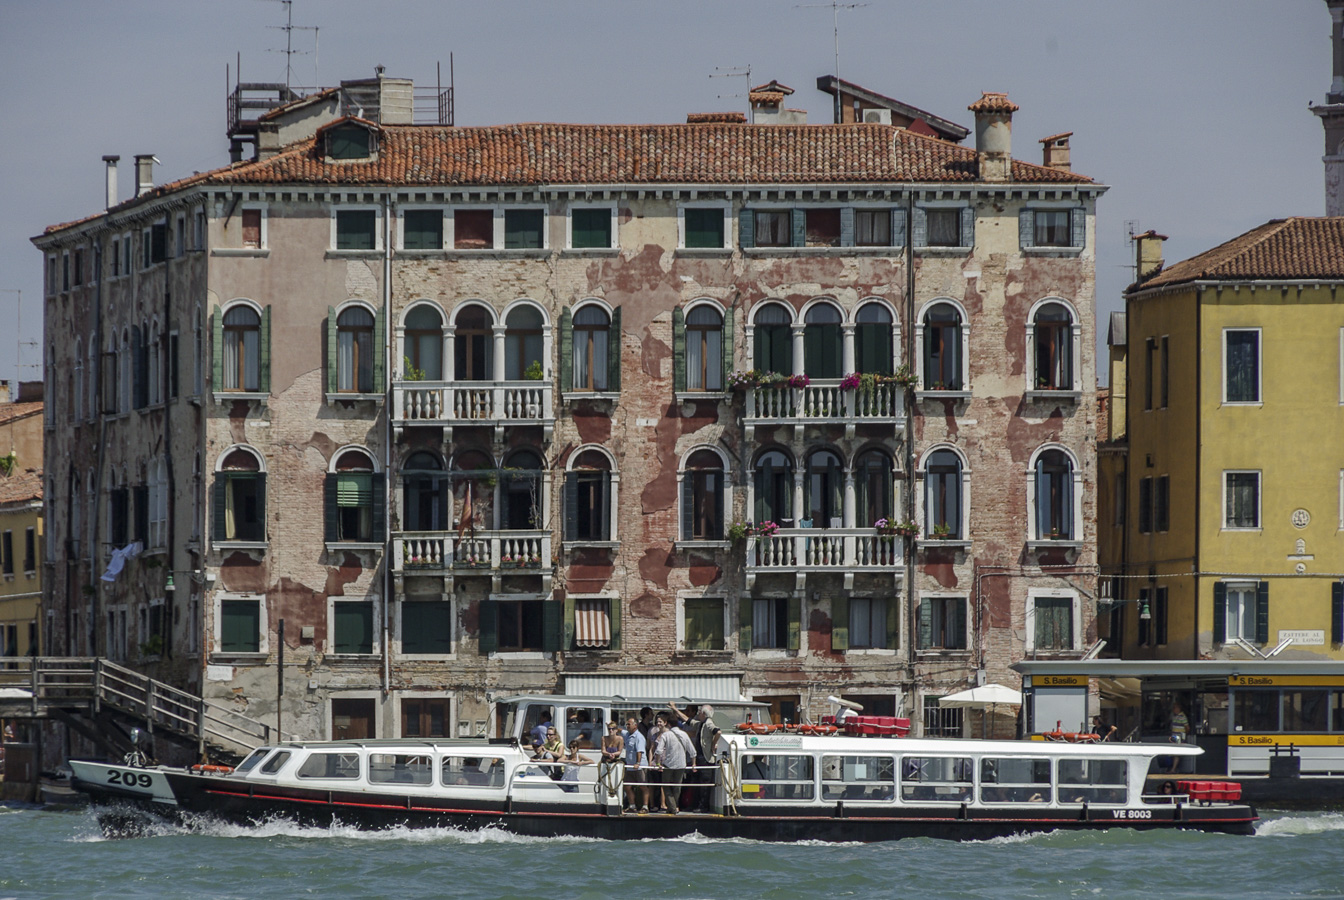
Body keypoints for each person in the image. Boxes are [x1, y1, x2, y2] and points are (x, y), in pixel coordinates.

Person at [654, 711, 694, 814]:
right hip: (681, 764)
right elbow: (692, 751)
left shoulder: (666, 735)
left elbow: (658, 751)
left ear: (668, 724)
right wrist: (694, 764)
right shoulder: (684, 734)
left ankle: (672, 807)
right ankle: (673, 807)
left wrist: (658, 764)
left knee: (666, 786)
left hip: (668, 764)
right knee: (677, 787)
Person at [621, 715, 648, 813]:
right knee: (627, 786)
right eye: (626, 724)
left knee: (643, 786)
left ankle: (645, 807)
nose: (627, 726)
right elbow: (621, 731)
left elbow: (639, 751)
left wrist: (638, 763)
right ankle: (632, 806)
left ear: (635, 725)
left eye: (629, 724)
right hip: (630, 767)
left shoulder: (639, 737)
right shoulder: (627, 734)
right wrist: (612, 726)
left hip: (639, 767)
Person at [1168, 701, 1189, 773]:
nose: (1173, 709)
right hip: (1174, 736)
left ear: (1178, 708)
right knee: (1173, 752)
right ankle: (1173, 768)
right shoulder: (1174, 716)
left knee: (1176, 752)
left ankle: (1173, 769)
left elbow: (1187, 728)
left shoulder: (1183, 717)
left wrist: (1183, 736)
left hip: (1179, 737)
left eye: (1175, 708)